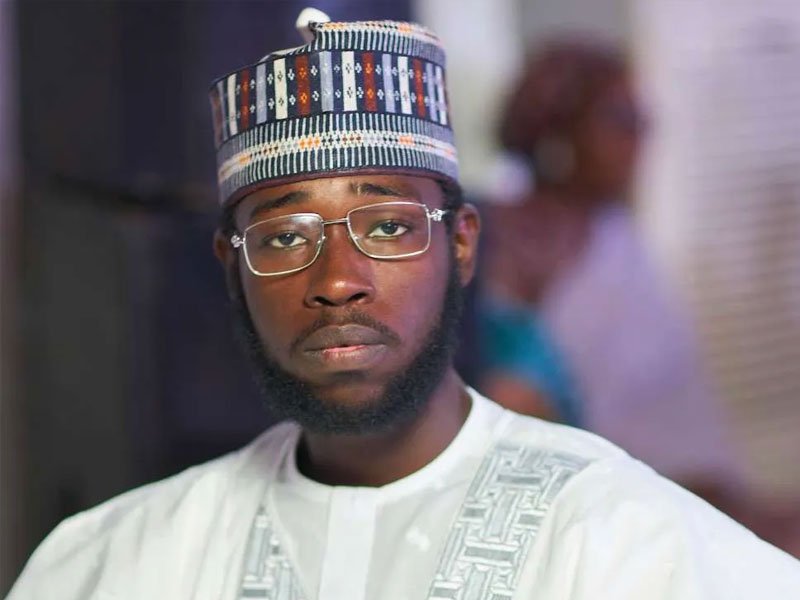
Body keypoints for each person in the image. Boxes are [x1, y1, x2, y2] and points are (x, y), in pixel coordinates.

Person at [7, 10, 800, 599]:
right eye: (284, 237)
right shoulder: (118, 561)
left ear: (462, 243)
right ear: (231, 266)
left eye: (387, 226)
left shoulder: (629, 545)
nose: (338, 279)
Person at [478, 39, 739, 498]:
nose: (641, 139)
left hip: (685, 493)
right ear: (559, 133)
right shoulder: (500, 240)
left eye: (644, 121)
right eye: (623, 121)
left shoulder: (615, 235)